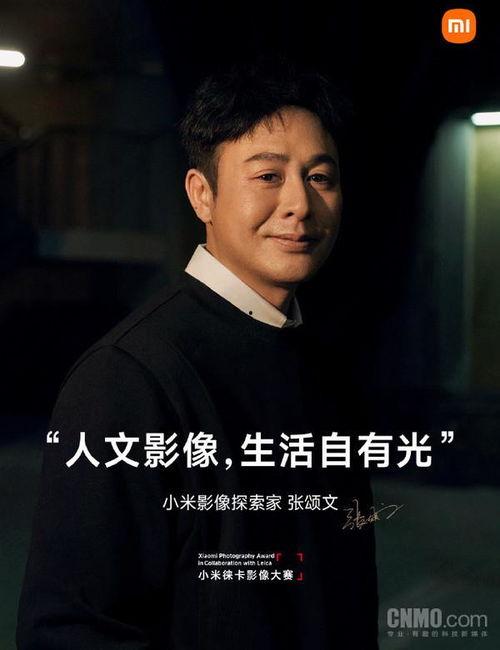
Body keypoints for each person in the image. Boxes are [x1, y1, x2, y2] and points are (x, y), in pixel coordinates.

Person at [17, 57, 379, 649]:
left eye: (320, 177)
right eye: (268, 176)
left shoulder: (321, 364)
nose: (300, 203)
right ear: (202, 194)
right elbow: (70, 630)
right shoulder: (129, 376)